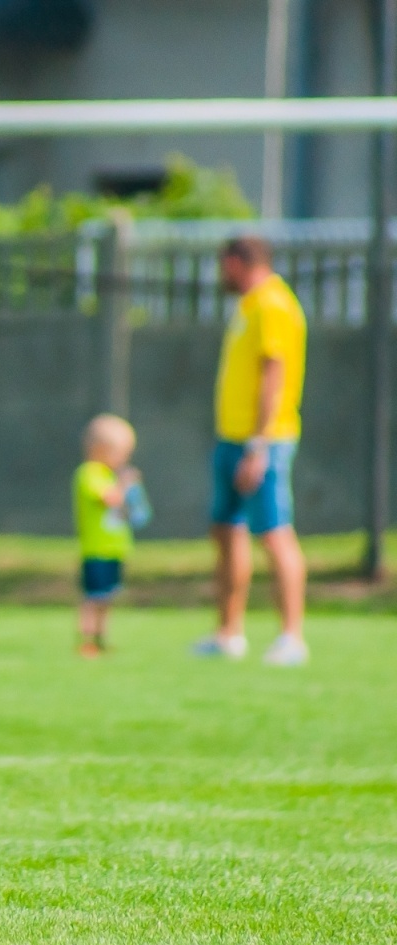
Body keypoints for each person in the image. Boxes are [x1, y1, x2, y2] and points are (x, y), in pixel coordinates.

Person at [194, 236, 309, 666]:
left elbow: (273, 376)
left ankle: (291, 637)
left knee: (275, 534)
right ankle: (228, 633)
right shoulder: (248, 305)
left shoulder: (273, 305)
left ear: (240, 262)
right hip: (232, 438)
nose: (222, 275)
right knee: (226, 531)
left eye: (225, 266)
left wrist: (259, 445)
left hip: (265, 441)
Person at [74, 414, 151, 657]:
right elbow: (110, 499)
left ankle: (101, 637)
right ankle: (86, 638)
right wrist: (125, 485)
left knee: (107, 597)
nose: (123, 459)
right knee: (92, 598)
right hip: (96, 549)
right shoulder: (89, 473)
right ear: (99, 449)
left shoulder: (109, 476)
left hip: (113, 549)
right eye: (120, 452)